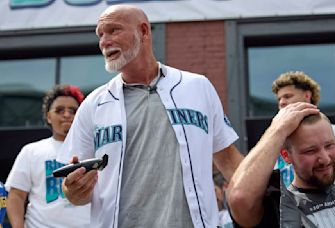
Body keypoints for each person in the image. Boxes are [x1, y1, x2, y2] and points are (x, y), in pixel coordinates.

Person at [57, 4, 243, 228]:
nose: (104, 42)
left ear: (143, 31)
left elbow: (228, 160)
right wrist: (74, 190)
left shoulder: (198, 87)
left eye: (114, 30)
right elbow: (74, 191)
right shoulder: (93, 105)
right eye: (100, 35)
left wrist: (269, 190)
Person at [5, 85, 89, 228]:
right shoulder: (31, 151)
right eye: (60, 110)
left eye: (73, 110)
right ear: (49, 116)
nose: (67, 115)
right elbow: (16, 195)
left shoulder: (93, 150)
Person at [228, 102, 318, 227]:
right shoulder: (276, 201)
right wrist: (279, 129)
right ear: (286, 155)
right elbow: (241, 197)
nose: (324, 157)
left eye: (329, 145)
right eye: (310, 150)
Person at [272, 71, 335, 188]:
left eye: (288, 96)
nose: (282, 102)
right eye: (279, 99)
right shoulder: (276, 140)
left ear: (307, 96)